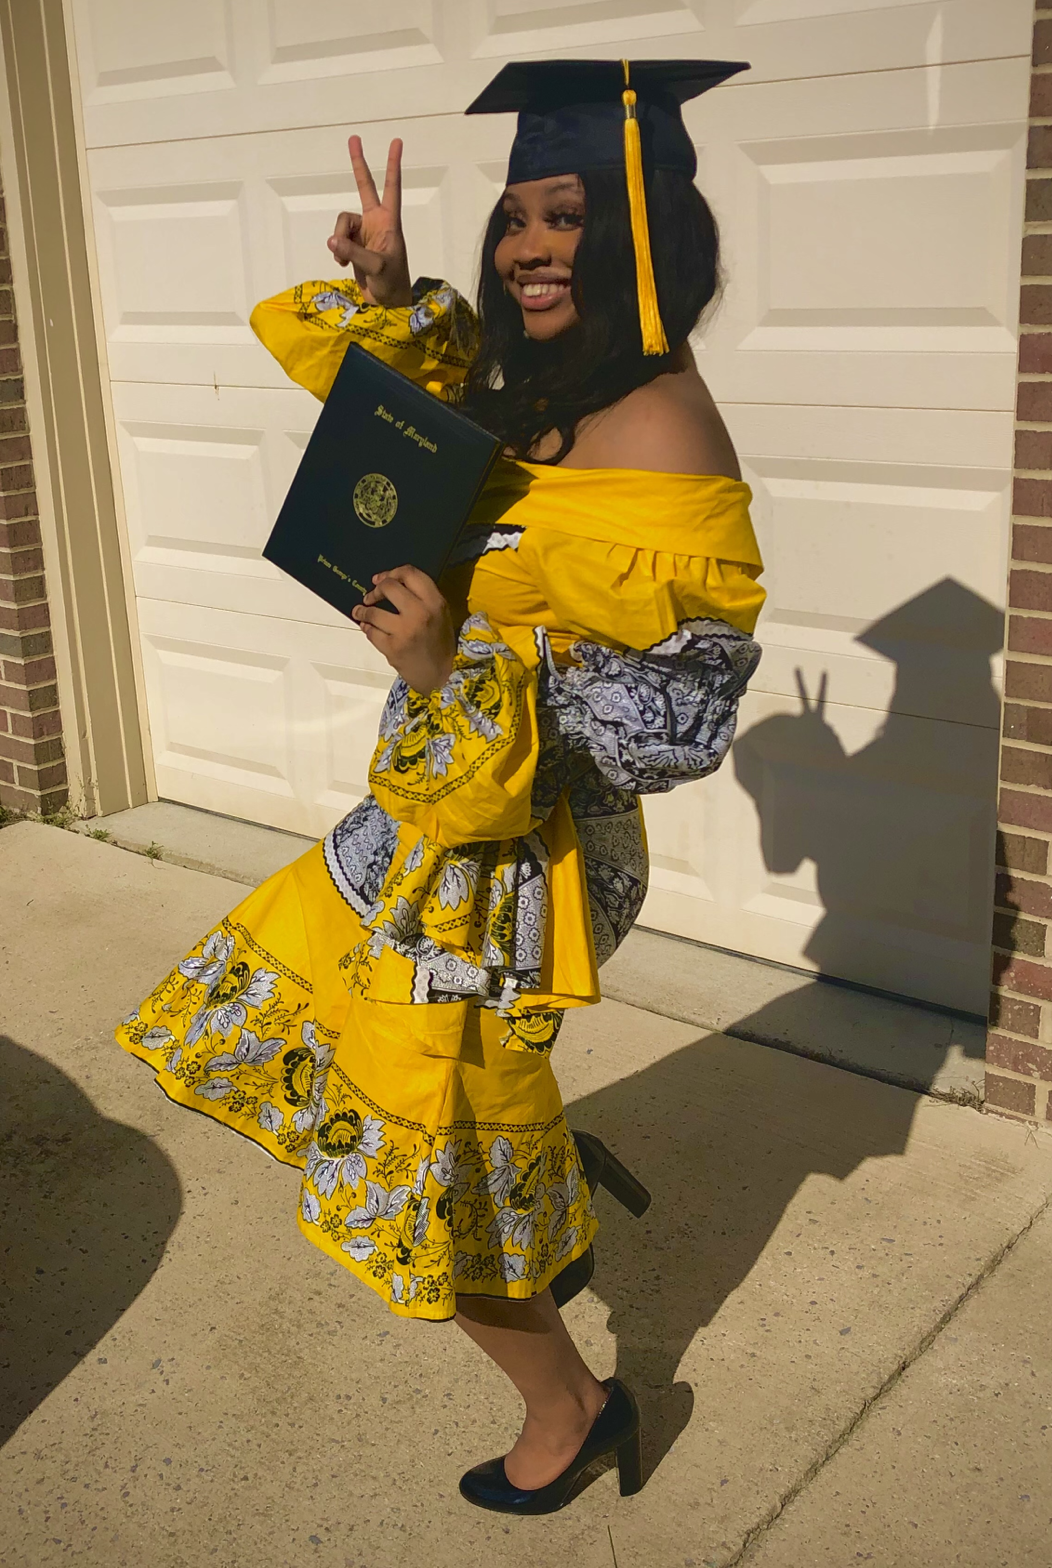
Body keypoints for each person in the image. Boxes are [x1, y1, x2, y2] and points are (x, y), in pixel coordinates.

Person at [117, 58, 765, 1515]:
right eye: (517, 219)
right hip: (431, 821)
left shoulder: (661, 429)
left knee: (422, 1163)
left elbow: (671, 726)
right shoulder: (549, 378)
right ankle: (525, 1162)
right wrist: (401, 289)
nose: (533, 248)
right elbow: (447, 424)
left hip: (521, 862)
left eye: (571, 218)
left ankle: (574, 1404)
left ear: (652, 233)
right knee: (302, 1022)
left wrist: (446, 668)